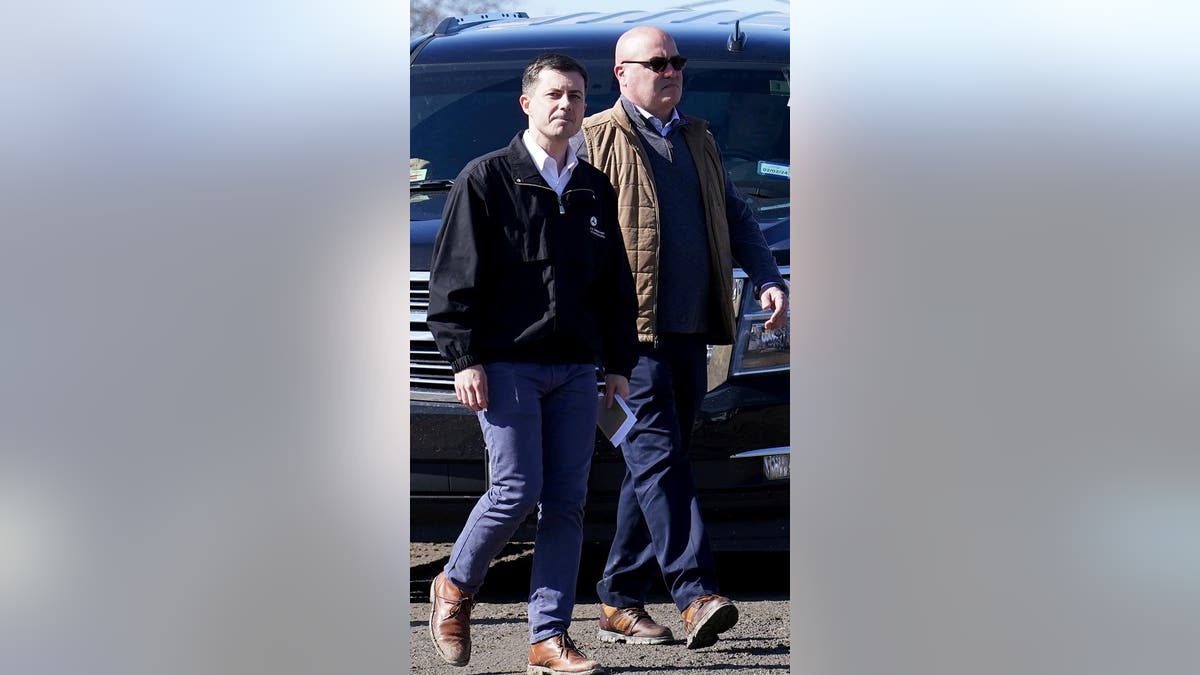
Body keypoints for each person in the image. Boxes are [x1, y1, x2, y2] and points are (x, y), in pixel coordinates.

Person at [425, 53, 638, 675]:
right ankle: (456, 585)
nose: (565, 105)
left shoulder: (594, 188)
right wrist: (464, 357)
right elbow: (453, 282)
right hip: (506, 364)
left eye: (575, 95)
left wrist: (617, 363)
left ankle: (548, 640)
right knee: (516, 488)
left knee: (568, 503)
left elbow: (614, 288)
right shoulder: (486, 179)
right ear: (527, 103)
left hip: (575, 369)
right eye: (553, 94)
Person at [578, 26, 790, 650]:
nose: (671, 71)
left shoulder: (697, 137)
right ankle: (696, 592)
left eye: (677, 62)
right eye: (657, 63)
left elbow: (736, 214)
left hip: (690, 330)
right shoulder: (595, 139)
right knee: (658, 457)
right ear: (621, 73)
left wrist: (770, 277)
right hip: (627, 336)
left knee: (656, 465)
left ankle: (617, 599)